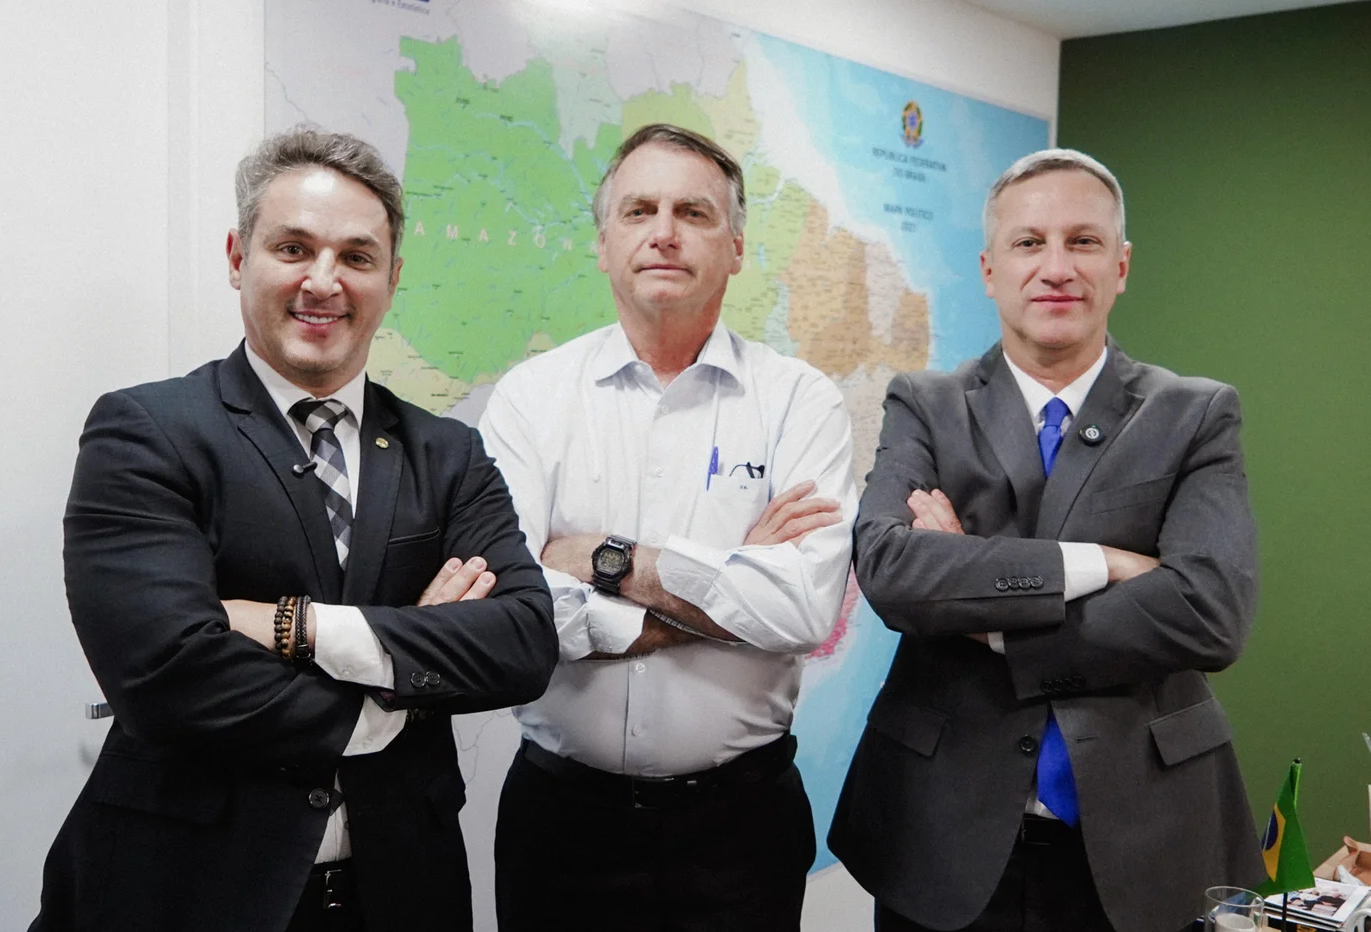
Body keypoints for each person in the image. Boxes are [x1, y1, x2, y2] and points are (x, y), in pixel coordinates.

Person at [31, 127, 557, 932]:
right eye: (293, 249)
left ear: (392, 278)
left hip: (401, 895)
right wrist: (397, 690)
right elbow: (165, 675)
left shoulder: (448, 454)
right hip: (188, 893)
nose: (324, 281)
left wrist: (296, 626)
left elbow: (521, 642)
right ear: (238, 256)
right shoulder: (147, 432)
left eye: (356, 256)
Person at [830, 149, 1262, 932]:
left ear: (1120, 265)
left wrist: (983, 611)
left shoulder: (1195, 414)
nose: (1056, 267)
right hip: (941, 829)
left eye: (1083, 241)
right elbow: (892, 571)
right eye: (1029, 243)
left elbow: (1210, 612)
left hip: (1146, 834)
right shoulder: (926, 404)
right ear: (990, 270)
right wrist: (1104, 564)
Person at [479, 123, 857, 931]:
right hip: (561, 827)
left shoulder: (799, 401)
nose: (664, 232)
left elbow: (802, 612)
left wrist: (605, 560)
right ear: (603, 243)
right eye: (638, 210)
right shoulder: (530, 399)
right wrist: (733, 578)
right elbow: (516, 617)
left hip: (742, 828)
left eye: (693, 212)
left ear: (736, 247)